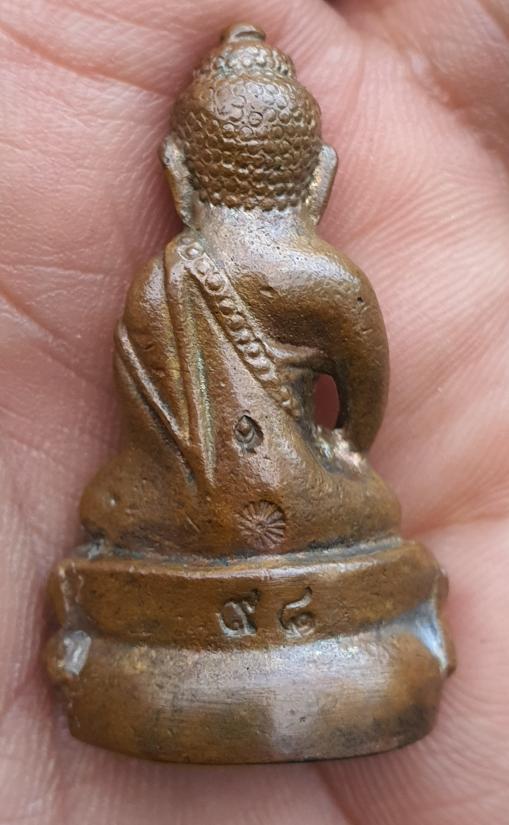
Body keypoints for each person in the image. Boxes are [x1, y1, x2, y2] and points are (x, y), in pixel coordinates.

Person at [0, 0, 508, 822]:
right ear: (319, 177)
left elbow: (147, 428)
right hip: (305, 501)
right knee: (366, 500)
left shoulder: (159, 281)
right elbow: (362, 405)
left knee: (111, 503)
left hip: (169, 518)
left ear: (177, 174)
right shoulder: (327, 278)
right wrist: (340, 452)